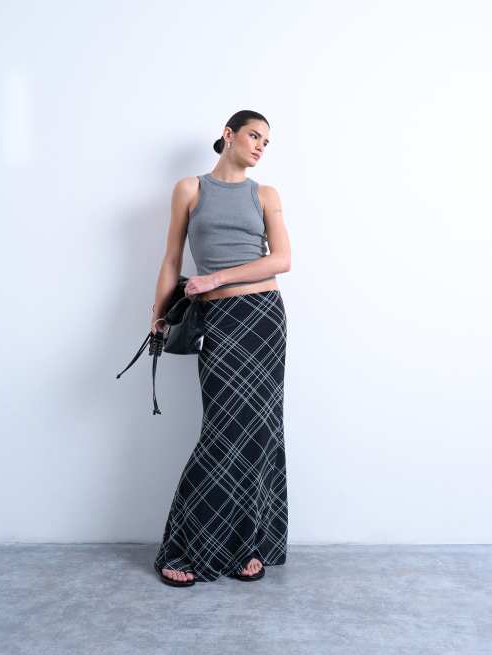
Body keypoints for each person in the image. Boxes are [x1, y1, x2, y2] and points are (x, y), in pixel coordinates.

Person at [151, 110, 291, 586]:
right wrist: (157, 313)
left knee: (259, 434)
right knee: (222, 433)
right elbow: (172, 258)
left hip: (264, 319)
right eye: (254, 135)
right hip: (219, 321)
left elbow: (282, 260)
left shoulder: (265, 195)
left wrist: (215, 278)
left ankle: (247, 546)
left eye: (266, 141)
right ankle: (183, 548)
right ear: (228, 135)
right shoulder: (190, 189)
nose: (260, 146)